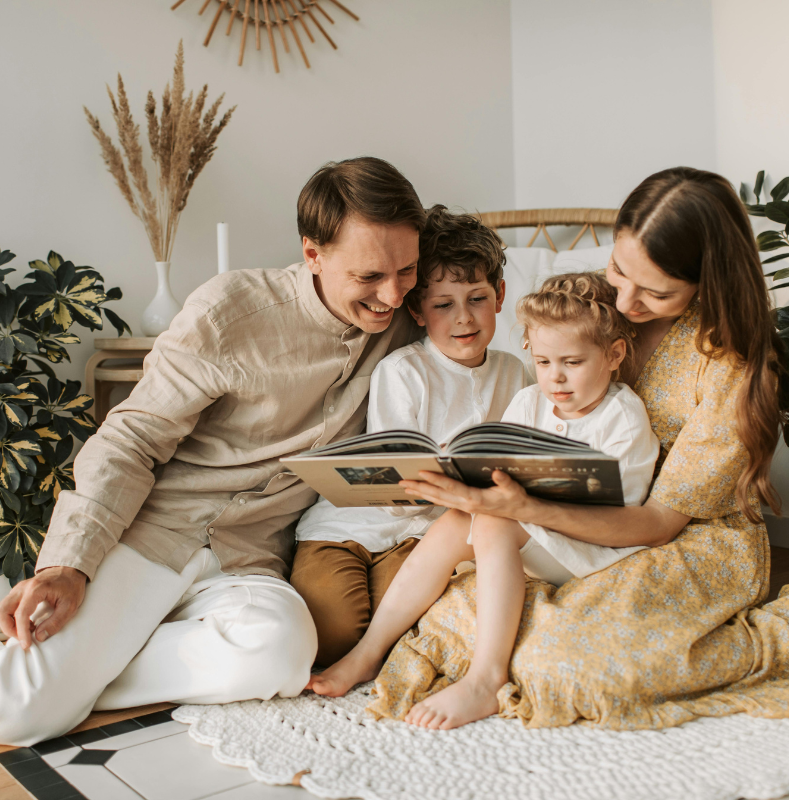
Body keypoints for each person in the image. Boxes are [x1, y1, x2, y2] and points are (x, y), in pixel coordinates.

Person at [0, 156, 426, 747]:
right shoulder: (229, 314)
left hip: (249, 559)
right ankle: (54, 649)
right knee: (12, 714)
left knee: (282, 655)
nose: (393, 295)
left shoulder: (410, 322)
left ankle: (87, 669)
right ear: (313, 254)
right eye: (370, 276)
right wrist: (68, 564)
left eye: (407, 270)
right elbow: (130, 438)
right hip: (155, 533)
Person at [363, 166, 789, 731]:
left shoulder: (729, 367)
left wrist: (525, 510)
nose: (626, 300)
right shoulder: (593, 302)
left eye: (656, 291)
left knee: (566, 665)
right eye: (619, 269)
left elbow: (660, 522)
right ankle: (482, 664)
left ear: (706, 282)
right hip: (562, 517)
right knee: (455, 614)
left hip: (677, 535)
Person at [307, 273, 660, 730]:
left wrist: (510, 506)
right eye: (544, 361)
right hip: (537, 535)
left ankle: (486, 678)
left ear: (613, 355)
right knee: (457, 519)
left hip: (591, 549)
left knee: (492, 521)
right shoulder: (530, 400)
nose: (555, 377)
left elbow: (618, 516)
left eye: (573, 362)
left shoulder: (623, 417)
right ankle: (369, 653)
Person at [291, 206, 525, 667]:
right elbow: (392, 481)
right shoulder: (404, 372)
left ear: (499, 296)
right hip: (349, 528)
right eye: (443, 304)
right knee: (331, 632)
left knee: (407, 622)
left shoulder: (515, 374)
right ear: (417, 310)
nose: (464, 319)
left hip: (425, 538)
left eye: (476, 298)